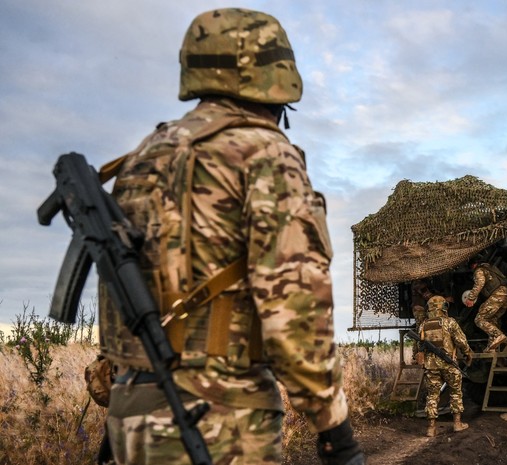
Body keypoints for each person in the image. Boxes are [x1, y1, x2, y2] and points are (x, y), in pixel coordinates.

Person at [95, 8, 363, 465]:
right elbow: (295, 305)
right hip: (219, 420)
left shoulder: (142, 158)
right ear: (277, 81)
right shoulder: (264, 153)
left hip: (129, 411)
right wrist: (333, 426)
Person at [419, 295, 473, 437]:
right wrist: (468, 353)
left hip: (431, 366)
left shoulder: (423, 325)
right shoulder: (450, 322)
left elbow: (417, 347)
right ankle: (457, 423)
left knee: (432, 395)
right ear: (444, 307)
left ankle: (431, 428)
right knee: (455, 392)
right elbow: (461, 341)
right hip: (449, 364)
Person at [463, 258, 507, 352]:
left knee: (479, 319)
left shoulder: (479, 270)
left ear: (473, 265)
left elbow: (480, 283)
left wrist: (470, 298)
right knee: (491, 320)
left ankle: (498, 335)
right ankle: (492, 347)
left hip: (498, 296)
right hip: (506, 296)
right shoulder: (490, 268)